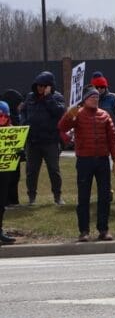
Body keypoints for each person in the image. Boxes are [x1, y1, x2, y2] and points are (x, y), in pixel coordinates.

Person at [58, 87, 115, 241]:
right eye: (92, 97)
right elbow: (62, 127)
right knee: (83, 197)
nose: (95, 99)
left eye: (97, 97)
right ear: (85, 99)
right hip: (84, 160)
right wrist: (68, 115)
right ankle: (84, 231)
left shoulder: (105, 115)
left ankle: (103, 230)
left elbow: (112, 138)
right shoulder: (77, 114)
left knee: (104, 197)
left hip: (102, 160)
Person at [22, 70, 66, 206]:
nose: (40, 88)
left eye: (43, 85)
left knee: (54, 170)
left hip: (50, 141)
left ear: (49, 86)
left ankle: (57, 196)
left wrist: (48, 98)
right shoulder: (30, 97)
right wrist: (24, 123)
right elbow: (23, 111)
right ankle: (31, 197)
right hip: (32, 141)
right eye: (38, 85)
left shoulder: (57, 97)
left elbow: (60, 112)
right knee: (31, 171)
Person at [0, 102, 20, 244]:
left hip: (4, 171)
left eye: (4, 117)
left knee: (1, 202)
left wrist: (19, 151)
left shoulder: (11, 130)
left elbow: (16, 148)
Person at [2, 89, 25, 207]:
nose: (21, 105)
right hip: (5, 156)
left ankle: (13, 200)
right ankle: (6, 201)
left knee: (14, 177)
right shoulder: (6, 118)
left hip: (14, 154)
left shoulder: (16, 116)